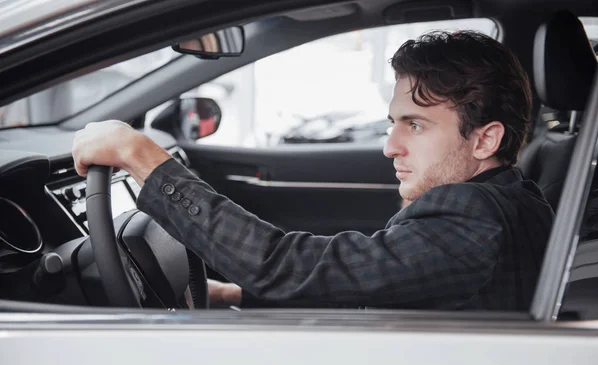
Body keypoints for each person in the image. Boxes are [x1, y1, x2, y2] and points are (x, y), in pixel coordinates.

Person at [72, 31, 554, 311]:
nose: (390, 146)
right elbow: (378, 279)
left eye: (416, 125)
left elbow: (284, 265)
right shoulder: (515, 197)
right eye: (393, 124)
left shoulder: (473, 220)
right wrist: (236, 294)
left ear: (485, 138)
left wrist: (141, 156)